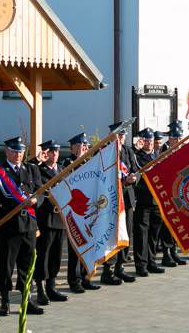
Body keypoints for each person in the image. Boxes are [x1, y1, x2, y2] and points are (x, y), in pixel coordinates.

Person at [0, 137, 44, 317]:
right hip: (9, 224)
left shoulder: (32, 169)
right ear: (7, 152)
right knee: (6, 264)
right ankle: (5, 300)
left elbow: (41, 192)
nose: (18, 155)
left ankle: (27, 299)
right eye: (14, 151)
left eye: (20, 151)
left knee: (27, 264)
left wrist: (36, 200)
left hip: (29, 223)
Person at [33, 140, 72, 302]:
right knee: (44, 254)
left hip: (60, 218)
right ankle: (40, 288)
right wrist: (36, 160)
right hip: (46, 218)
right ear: (45, 153)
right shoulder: (38, 170)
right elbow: (29, 174)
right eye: (51, 151)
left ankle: (51, 286)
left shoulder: (63, 170)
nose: (54, 154)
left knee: (56, 254)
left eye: (56, 151)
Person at [60, 132, 100, 293]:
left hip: (89, 211)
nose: (83, 148)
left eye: (85, 146)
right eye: (79, 146)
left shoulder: (89, 162)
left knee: (89, 245)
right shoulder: (67, 163)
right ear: (72, 148)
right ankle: (74, 280)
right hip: (74, 212)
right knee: (76, 246)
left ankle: (86, 277)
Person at [102, 121, 139, 279]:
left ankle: (120, 266)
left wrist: (133, 178)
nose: (122, 137)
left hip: (127, 198)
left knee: (126, 233)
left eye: (123, 135)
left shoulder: (128, 151)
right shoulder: (105, 152)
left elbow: (137, 171)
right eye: (119, 135)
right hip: (112, 199)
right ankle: (108, 269)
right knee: (112, 234)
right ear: (112, 136)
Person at [132, 128, 165, 274]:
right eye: (146, 141)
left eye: (151, 141)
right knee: (141, 235)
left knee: (154, 235)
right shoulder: (137, 157)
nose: (149, 143)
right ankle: (141, 265)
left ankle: (152, 262)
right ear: (142, 141)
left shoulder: (157, 155)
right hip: (143, 201)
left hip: (156, 202)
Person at [159, 123, 189, 267]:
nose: (177, 141)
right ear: (169, 139)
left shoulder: (181, 151)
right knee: (167, 225)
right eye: (174, 139)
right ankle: (166, 253)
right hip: (166, 194)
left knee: (178, 223)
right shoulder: (163, 151)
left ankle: (174, 251)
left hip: (178, 194)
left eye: (179, 139)